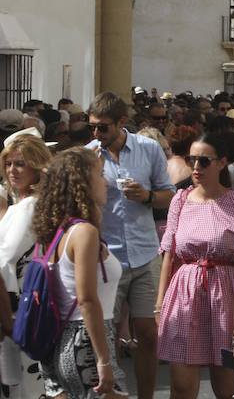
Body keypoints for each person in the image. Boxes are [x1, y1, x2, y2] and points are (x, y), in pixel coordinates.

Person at [87, 92, 175, 399]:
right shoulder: (89, 155)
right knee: (105, 336)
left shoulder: (148, 149)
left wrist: (147, 196)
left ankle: (146, 396)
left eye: (103, 128)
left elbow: (169, 194)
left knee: (149, 334)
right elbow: (81, 206)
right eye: (93, 127)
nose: (97, 134)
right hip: (106, 256)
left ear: (122, 123)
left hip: (144, 252)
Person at [155, 133, 234, 399]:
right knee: (182, 385)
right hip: (184, 293)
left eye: (204, 161)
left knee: (226, 387)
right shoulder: (180, 199)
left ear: (222, 162)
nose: (195, 167)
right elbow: (169, 253)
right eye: (191, 159)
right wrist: (160, 303)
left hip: (226, 295)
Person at [35, 148, 127, 398]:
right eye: (100, 174)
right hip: (85, 340)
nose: (106, 182)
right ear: (82, 183)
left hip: (59, 339)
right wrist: (103, 360)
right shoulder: (84, 232)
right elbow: (87, 300)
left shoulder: (57, 229)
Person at [0, 132, 52, 398]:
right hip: (17, 307)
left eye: (20, 163)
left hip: (20, 309)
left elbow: (4, 257)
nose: (12, 170)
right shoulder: (21, 204)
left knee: (25, 385)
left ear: (36, 166)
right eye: (8, 163)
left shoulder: (29, 206)